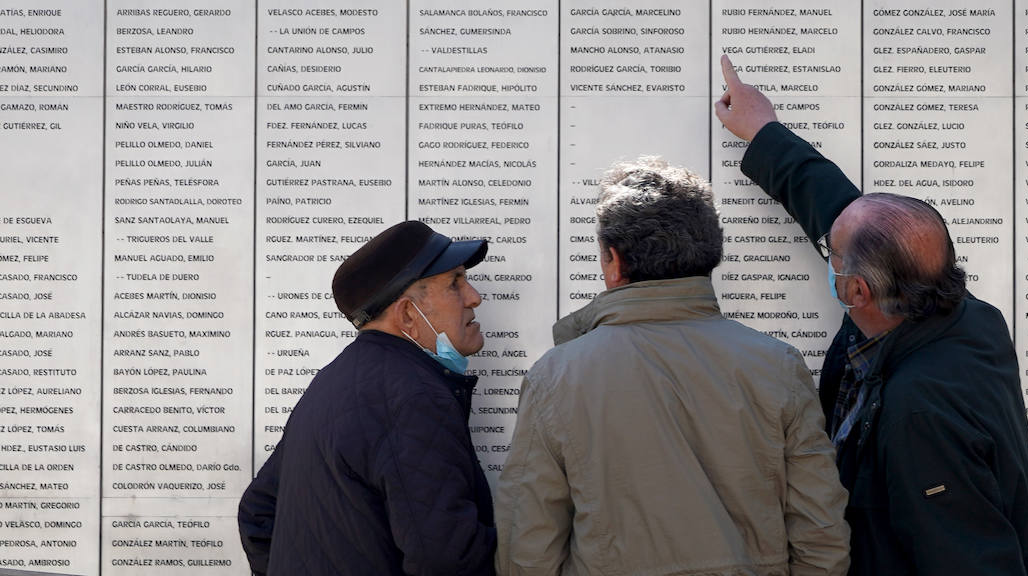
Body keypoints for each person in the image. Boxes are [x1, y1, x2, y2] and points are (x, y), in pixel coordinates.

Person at [715, 54, 1028, 576]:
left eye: (832, 253)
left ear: (857, 291)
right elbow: (845, 212)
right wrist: (764, 132)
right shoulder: (959, 312)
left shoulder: (919, 417)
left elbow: (969, 558)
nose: (827, 246)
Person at [495, 157, 849, 576]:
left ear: (613, 262)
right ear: (710, 255)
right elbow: (821, 536)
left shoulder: (556, 377)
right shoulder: (777, 365)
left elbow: (528, 547)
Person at [238, 220, 496, 576]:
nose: (474, 297)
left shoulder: (330, 382)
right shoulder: (413, 398)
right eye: (455, 282)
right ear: (408, 313)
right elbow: (446, 558)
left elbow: (258, 513)